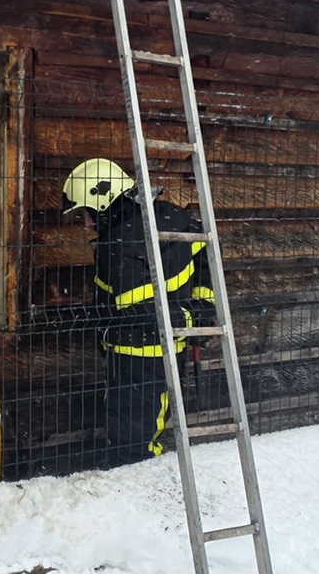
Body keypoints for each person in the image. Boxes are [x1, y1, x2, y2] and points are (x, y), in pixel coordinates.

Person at [61, 158, 217, 467]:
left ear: (102, 203)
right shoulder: (174, 218)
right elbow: (204, 259)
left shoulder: (117, 245)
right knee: (151, 430)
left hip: (133, 359)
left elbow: (132, 311)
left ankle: (141, 502)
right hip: (172, 351)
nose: (86, 225)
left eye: (87, 214)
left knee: (132, 446)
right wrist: (201, 309)